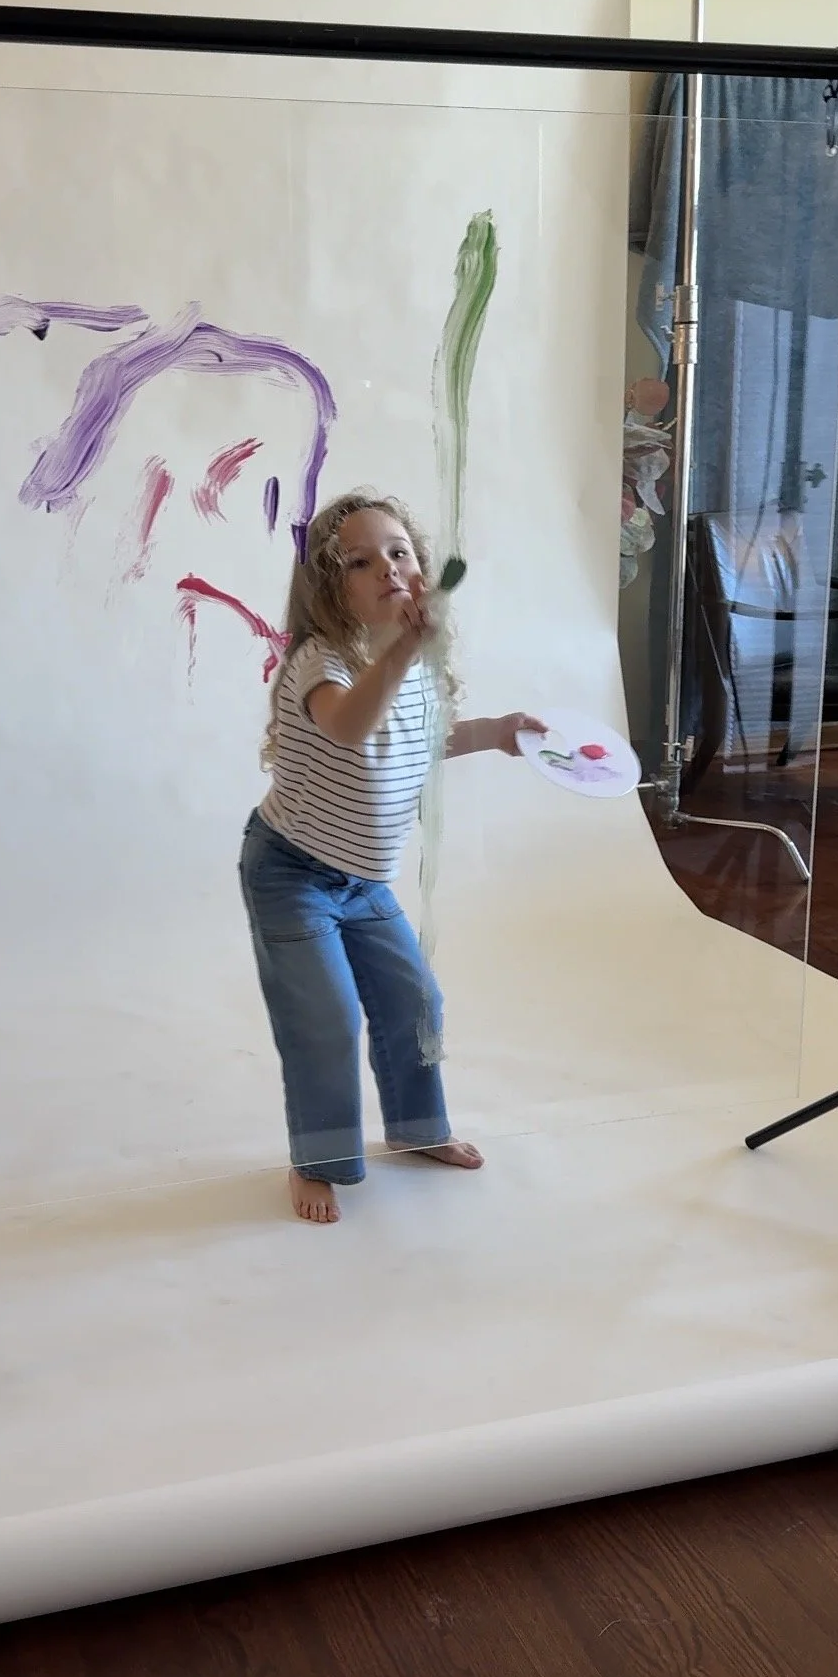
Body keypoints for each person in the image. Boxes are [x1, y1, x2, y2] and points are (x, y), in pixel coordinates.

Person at [239, 486, 545, 1225]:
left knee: (416, 1003)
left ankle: (416, 1128)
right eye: (361, 560)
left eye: (400, 552)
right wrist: (405, 647)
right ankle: (316, 1159)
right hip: (292, 873)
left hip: (363, 881)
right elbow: (348, 726)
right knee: (329, 1017)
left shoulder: (414, 670)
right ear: (328, 588)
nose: (389, 568)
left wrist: (497, 730)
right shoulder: (322, 663)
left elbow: (422, 740)